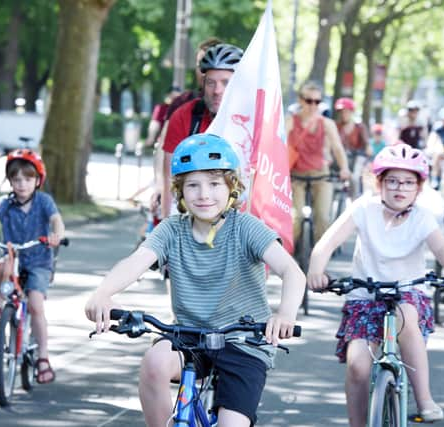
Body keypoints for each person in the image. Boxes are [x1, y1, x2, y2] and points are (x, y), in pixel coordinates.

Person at [85, 134, 304, 427]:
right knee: (153, 363)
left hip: (243, 340)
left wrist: (285, 314)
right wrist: (103, 292)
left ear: (232, 188)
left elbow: (292, 273)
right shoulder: (171, 230)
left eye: (214, 184)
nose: (204, 194)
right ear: (180, 191)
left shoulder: (246, 228)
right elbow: (134, 263)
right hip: (189, 335)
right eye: (193, 185)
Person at [306, 143, 444, 426]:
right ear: (379, 182)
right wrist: (316, 270)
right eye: (393, 180)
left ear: (419, 187)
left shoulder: (422, 218)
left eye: (409, 182)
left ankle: (424, 399)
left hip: (408, 294)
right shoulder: (363, 208)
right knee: (358, 365)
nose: (400, 187)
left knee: (404, 314)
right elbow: (325, 244)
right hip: (365, 296)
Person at [0, 149, 65, 384]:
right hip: (13, 256)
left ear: (37, 181)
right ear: (10, 181)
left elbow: (56, 222)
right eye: (16, 179)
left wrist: (57, 235)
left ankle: (43, 358)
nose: (22, 184)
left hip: (39, 260)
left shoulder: (44, 202)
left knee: (36, 305)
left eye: (28, 179)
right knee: (2, 264)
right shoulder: (6, 203)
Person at [160, 43, 243, 218]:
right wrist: (167, 230)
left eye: (225, 83)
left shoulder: (257, 122)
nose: (217, 91)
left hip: (242, 220)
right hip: (195, 216)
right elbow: (170, 181)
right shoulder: (185, 116)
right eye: (211, 83)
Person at [287, 81, 351, 245]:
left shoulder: (326, 123)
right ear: (300, 101)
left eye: (317, 101)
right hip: (296, 176)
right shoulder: (290, 121)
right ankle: (288, 259)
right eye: (309, 101)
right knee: (296, 218)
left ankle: (319, 260)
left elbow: (337, 148)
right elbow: (277, 144)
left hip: (321, 175)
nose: (313, 105)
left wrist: (344, 168)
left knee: (323, 217)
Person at [335, 97, 369, 198]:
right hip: (340, 157)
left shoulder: (359, 127)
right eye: (341, 111)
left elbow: (367, 146)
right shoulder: (336, 126)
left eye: (346, 111)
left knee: (354, 178)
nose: (343, 114)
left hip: (356, 157)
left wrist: (367, 148)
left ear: (351, 112)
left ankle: (356, 201)